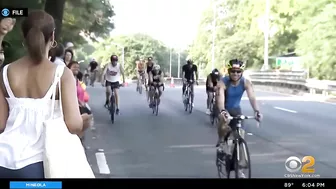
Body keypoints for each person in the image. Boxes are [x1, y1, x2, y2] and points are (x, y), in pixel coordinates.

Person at [0, 10, 83, 178]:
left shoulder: (5, 72)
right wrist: (85, 122)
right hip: (39, 166)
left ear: (24, 37)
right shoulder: (62, 74)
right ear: (52, 37)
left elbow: (1, 123)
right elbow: (74, 125)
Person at [215, 59, 262, 147]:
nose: (235, 74)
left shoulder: (246, 82)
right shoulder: (222, 83)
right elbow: (220, 99)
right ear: (229, 72)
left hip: (235, 109)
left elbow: (252, 97)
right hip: (222, 107)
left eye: (238, 71)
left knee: (241, 133)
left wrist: (257, 111)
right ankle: (221, 141)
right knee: (225, 121)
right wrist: (223, 111)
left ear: (242, 72)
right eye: (233, 71)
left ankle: (238, 153)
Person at [68, 61, 93, 141]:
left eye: (78, 67)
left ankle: (79, 140)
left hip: (80, 105)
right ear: (69, 68)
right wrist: (79, 102)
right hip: (74, 106)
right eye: (74, 67)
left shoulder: (76, 79)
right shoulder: (68, 79)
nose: (76, 69)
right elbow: (70, 93)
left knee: (88, 118)